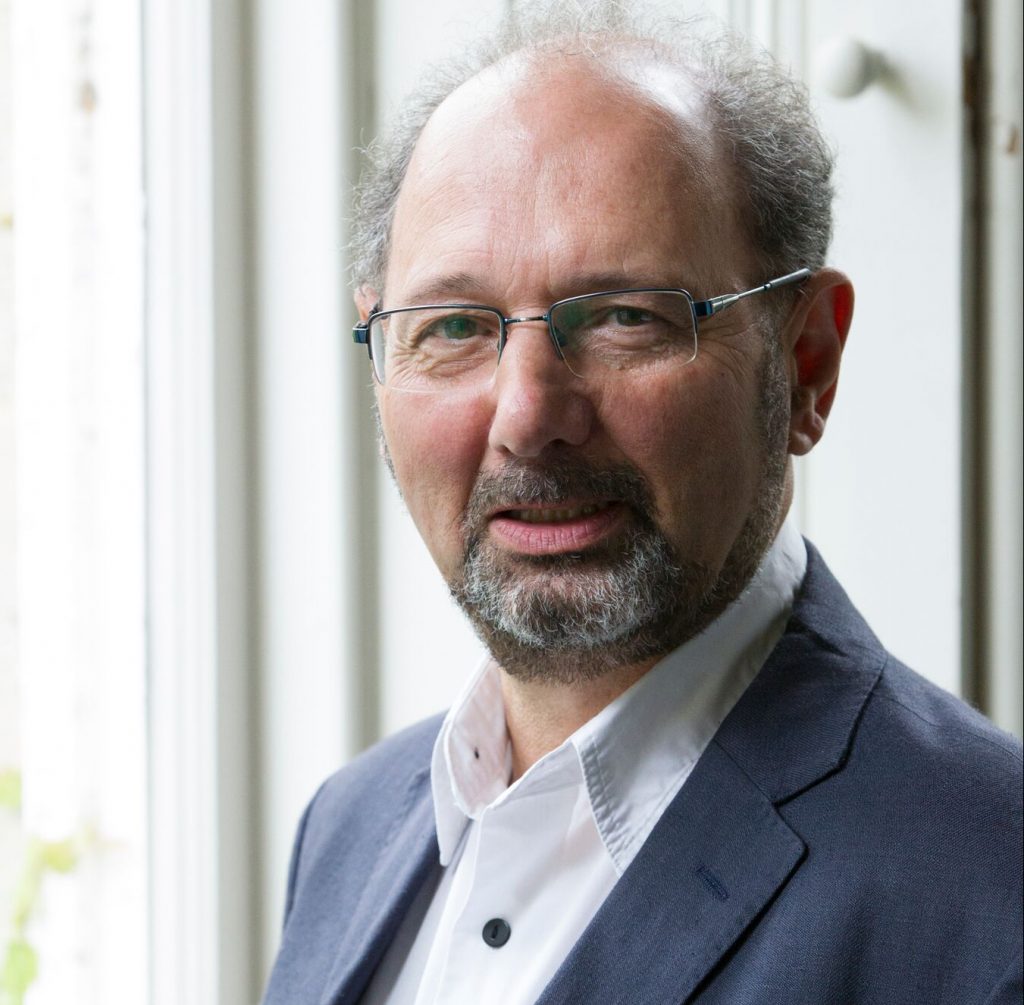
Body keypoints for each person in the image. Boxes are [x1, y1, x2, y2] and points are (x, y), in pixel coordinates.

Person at [261, 5, 1023, 1003]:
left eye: (626, 318)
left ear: (806, 363)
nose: (529, 416)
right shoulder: (345, 829)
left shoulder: (990, 895)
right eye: (453, 327)